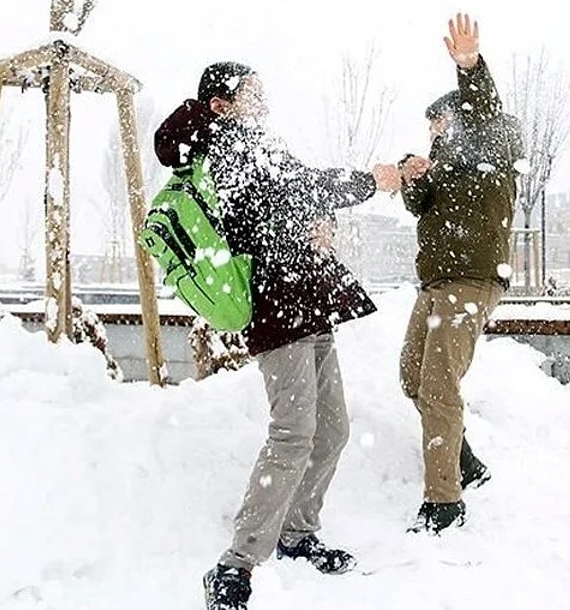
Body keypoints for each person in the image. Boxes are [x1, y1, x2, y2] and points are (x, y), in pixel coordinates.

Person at [154, 62, 402, 610]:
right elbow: (299, 188)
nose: (264, 100)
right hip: (277, 306)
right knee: (293, 433)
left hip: (308, 301)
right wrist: (371, 181)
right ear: (222, 104)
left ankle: (296, 534)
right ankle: (235, 565)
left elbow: (297, 197)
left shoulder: (257, 143)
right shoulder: (222, 144)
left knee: (332, 429)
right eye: (252, 93)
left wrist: (323, 223)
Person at [397, 13, 523, 534]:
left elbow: (485, 110)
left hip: (471, 281)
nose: (434, 134)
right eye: (430, 129)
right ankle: (464, 459)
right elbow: (419, 206)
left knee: (439, 385)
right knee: (412, 376)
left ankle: (444, 502)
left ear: (461, 118)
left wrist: (469, 66)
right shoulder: (444, 166)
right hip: (437, 284)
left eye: (439, 124)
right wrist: (411, 176)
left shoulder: (492, 144)